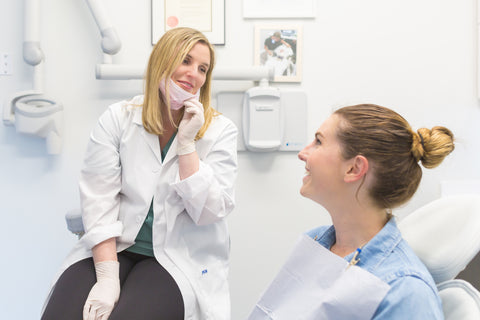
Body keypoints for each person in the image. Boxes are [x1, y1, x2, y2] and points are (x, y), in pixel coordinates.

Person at [41, 27, 238, 320]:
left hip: (175, 257)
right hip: (114, 246)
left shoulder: (220, 131)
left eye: (202, 68)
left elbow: (208, 212)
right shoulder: (118, 118)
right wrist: (107, 277)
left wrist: (186, 145)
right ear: (161, 60)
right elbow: (99, 199)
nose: (193, 74)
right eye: (185, 60)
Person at [249, 104, 454, 319]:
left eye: (318, 141)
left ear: (354, 169)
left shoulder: (405, 292)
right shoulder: (317, 242)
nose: (303, 153)